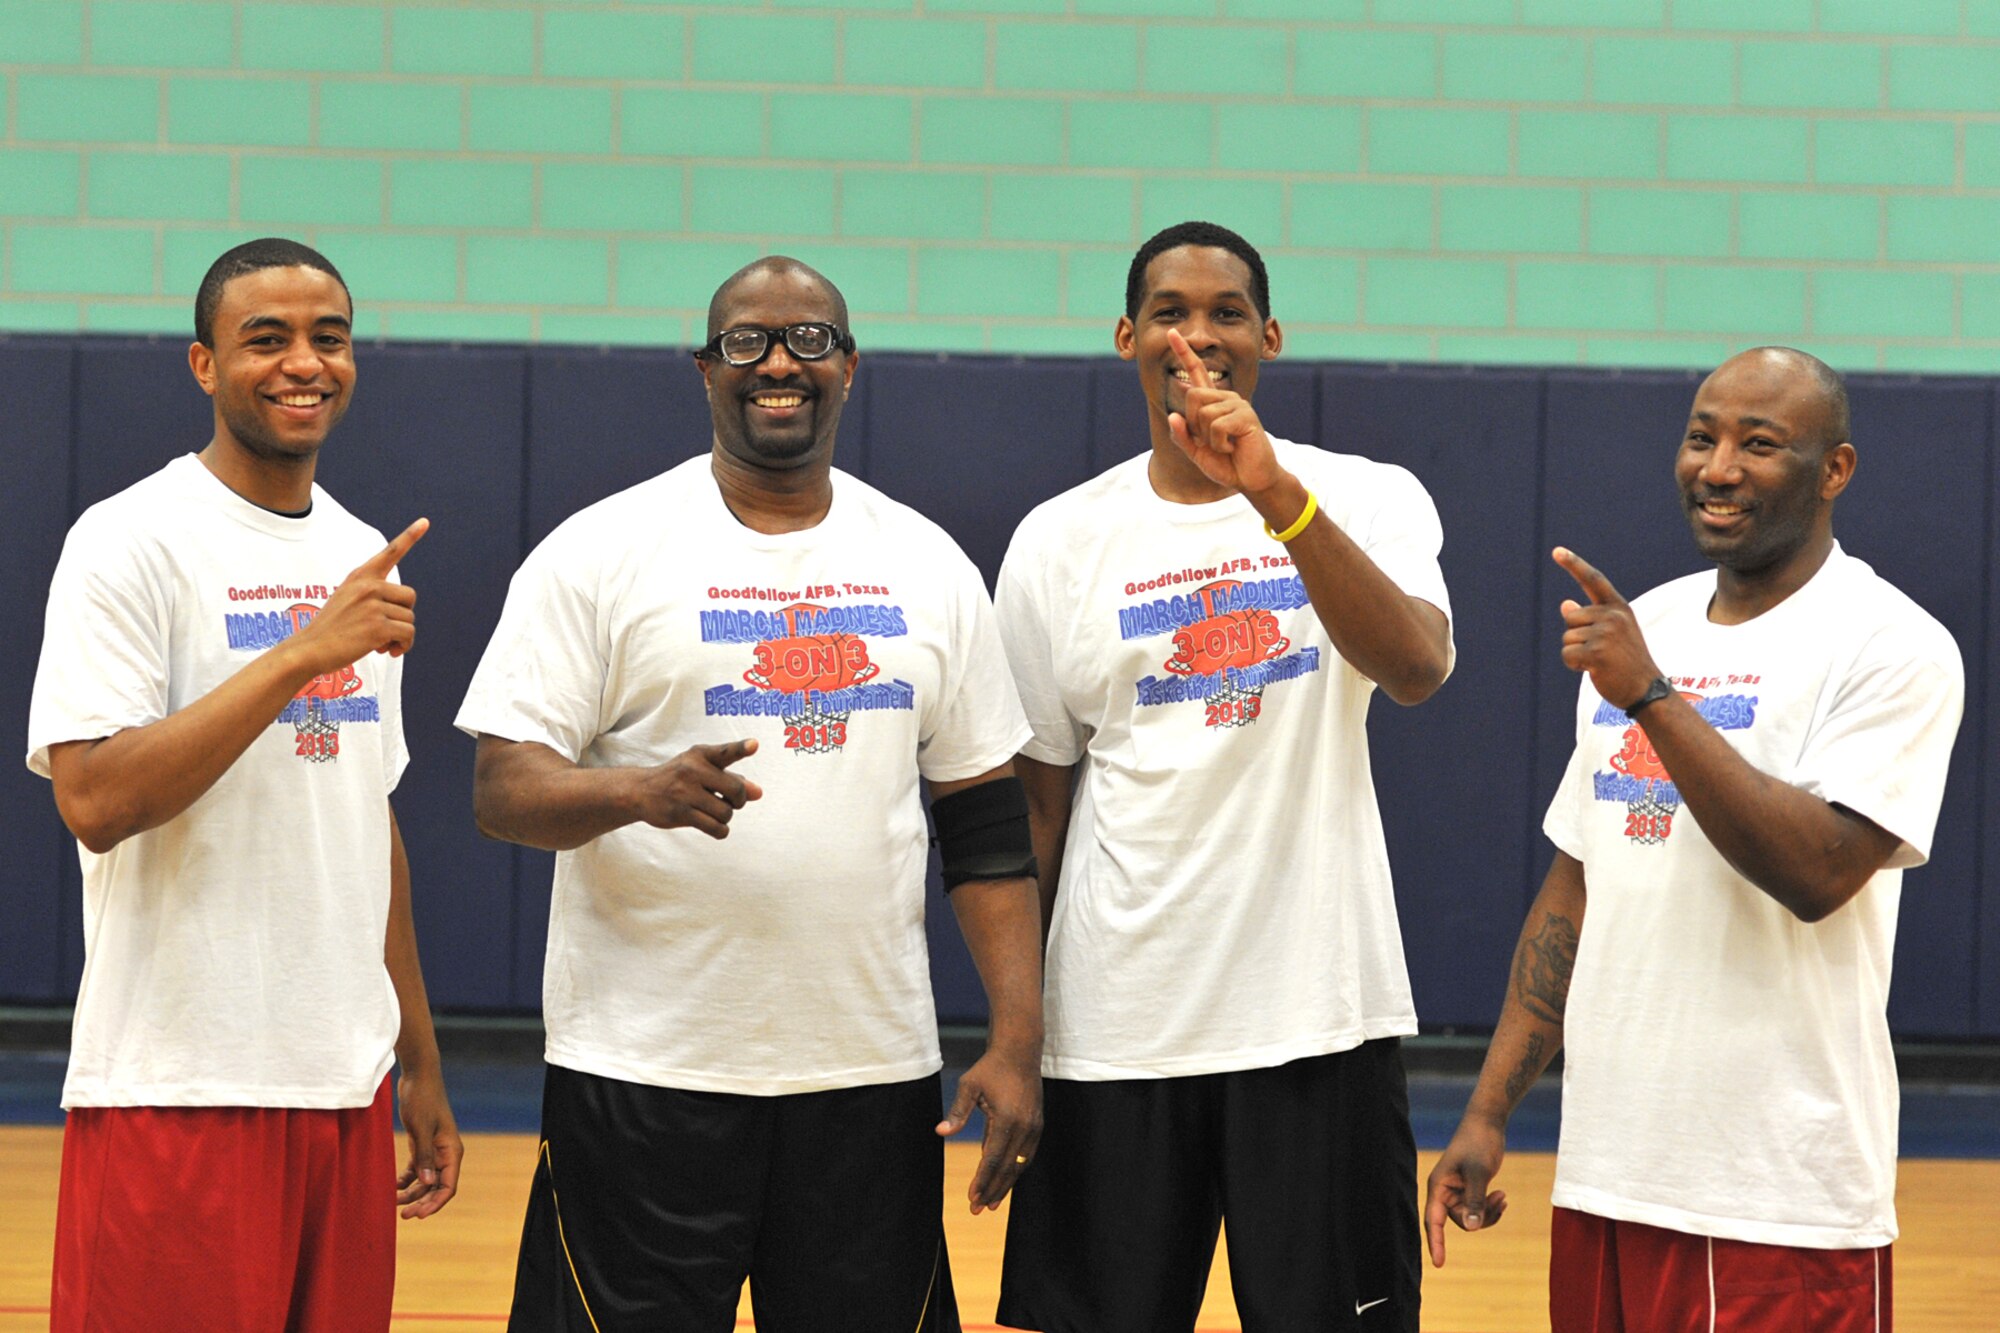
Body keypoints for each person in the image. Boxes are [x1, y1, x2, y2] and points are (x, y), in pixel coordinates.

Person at [457, 256, 1045, 1331]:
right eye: (747, 341)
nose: (779, 362)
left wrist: (1017, 1040)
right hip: (642, 1073)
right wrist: (636, 791)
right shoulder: (599, 552)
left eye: (809, 339)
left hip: (867, 1077)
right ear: (705, 369)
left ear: (849, 367)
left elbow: (985, 827)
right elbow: (502, 788)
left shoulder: (927, 564)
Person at [1424, 347, 1964, 1331]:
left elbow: (1816, 872)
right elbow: (1574, 888)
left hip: (1773, 1200)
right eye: (1700, 437)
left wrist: (1650, 695)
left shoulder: (1892, 644)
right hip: (1606, 1177)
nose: (1717, 467)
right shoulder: (1650, 623)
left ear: (1833, 469)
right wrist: (1489, 1109)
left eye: (1758, 444)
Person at [992, 220, 1454, 1332]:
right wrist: (1017, 1035)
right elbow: (1035, 811)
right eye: (1169, 312)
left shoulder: (1363, 494)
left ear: (1268, 337)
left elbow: (1415, 666)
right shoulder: (1057, 540)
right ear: (1127, 337)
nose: (1196, 336)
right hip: (1114, 1025)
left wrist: (1275, 496)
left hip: (1317, 1021)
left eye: (1225, 313)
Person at [26, 237, 461, 1332]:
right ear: (204, 364)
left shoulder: (360, 551)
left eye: (329, 338)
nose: (304, 362)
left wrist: (417, 1059)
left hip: (344, 1085)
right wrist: (301, 653)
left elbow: (366, 818)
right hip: (179, 1082)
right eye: (266, 338)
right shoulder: (127, 540)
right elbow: (95, 799)